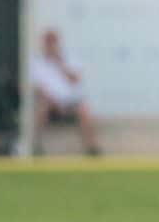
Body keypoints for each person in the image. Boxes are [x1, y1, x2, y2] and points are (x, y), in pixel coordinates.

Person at [28, 28, 103, 157]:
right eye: (48, 42)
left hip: (70, 101)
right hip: (49, 101)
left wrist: (59, 63)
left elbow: (75, 79)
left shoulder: (69, 58)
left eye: (53, 41)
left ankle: (92, 147)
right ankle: (36, 146)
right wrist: (53, 101)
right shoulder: (36, 61)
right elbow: (37, 87)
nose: (50, 45)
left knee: (84, 110)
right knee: (41, 109)